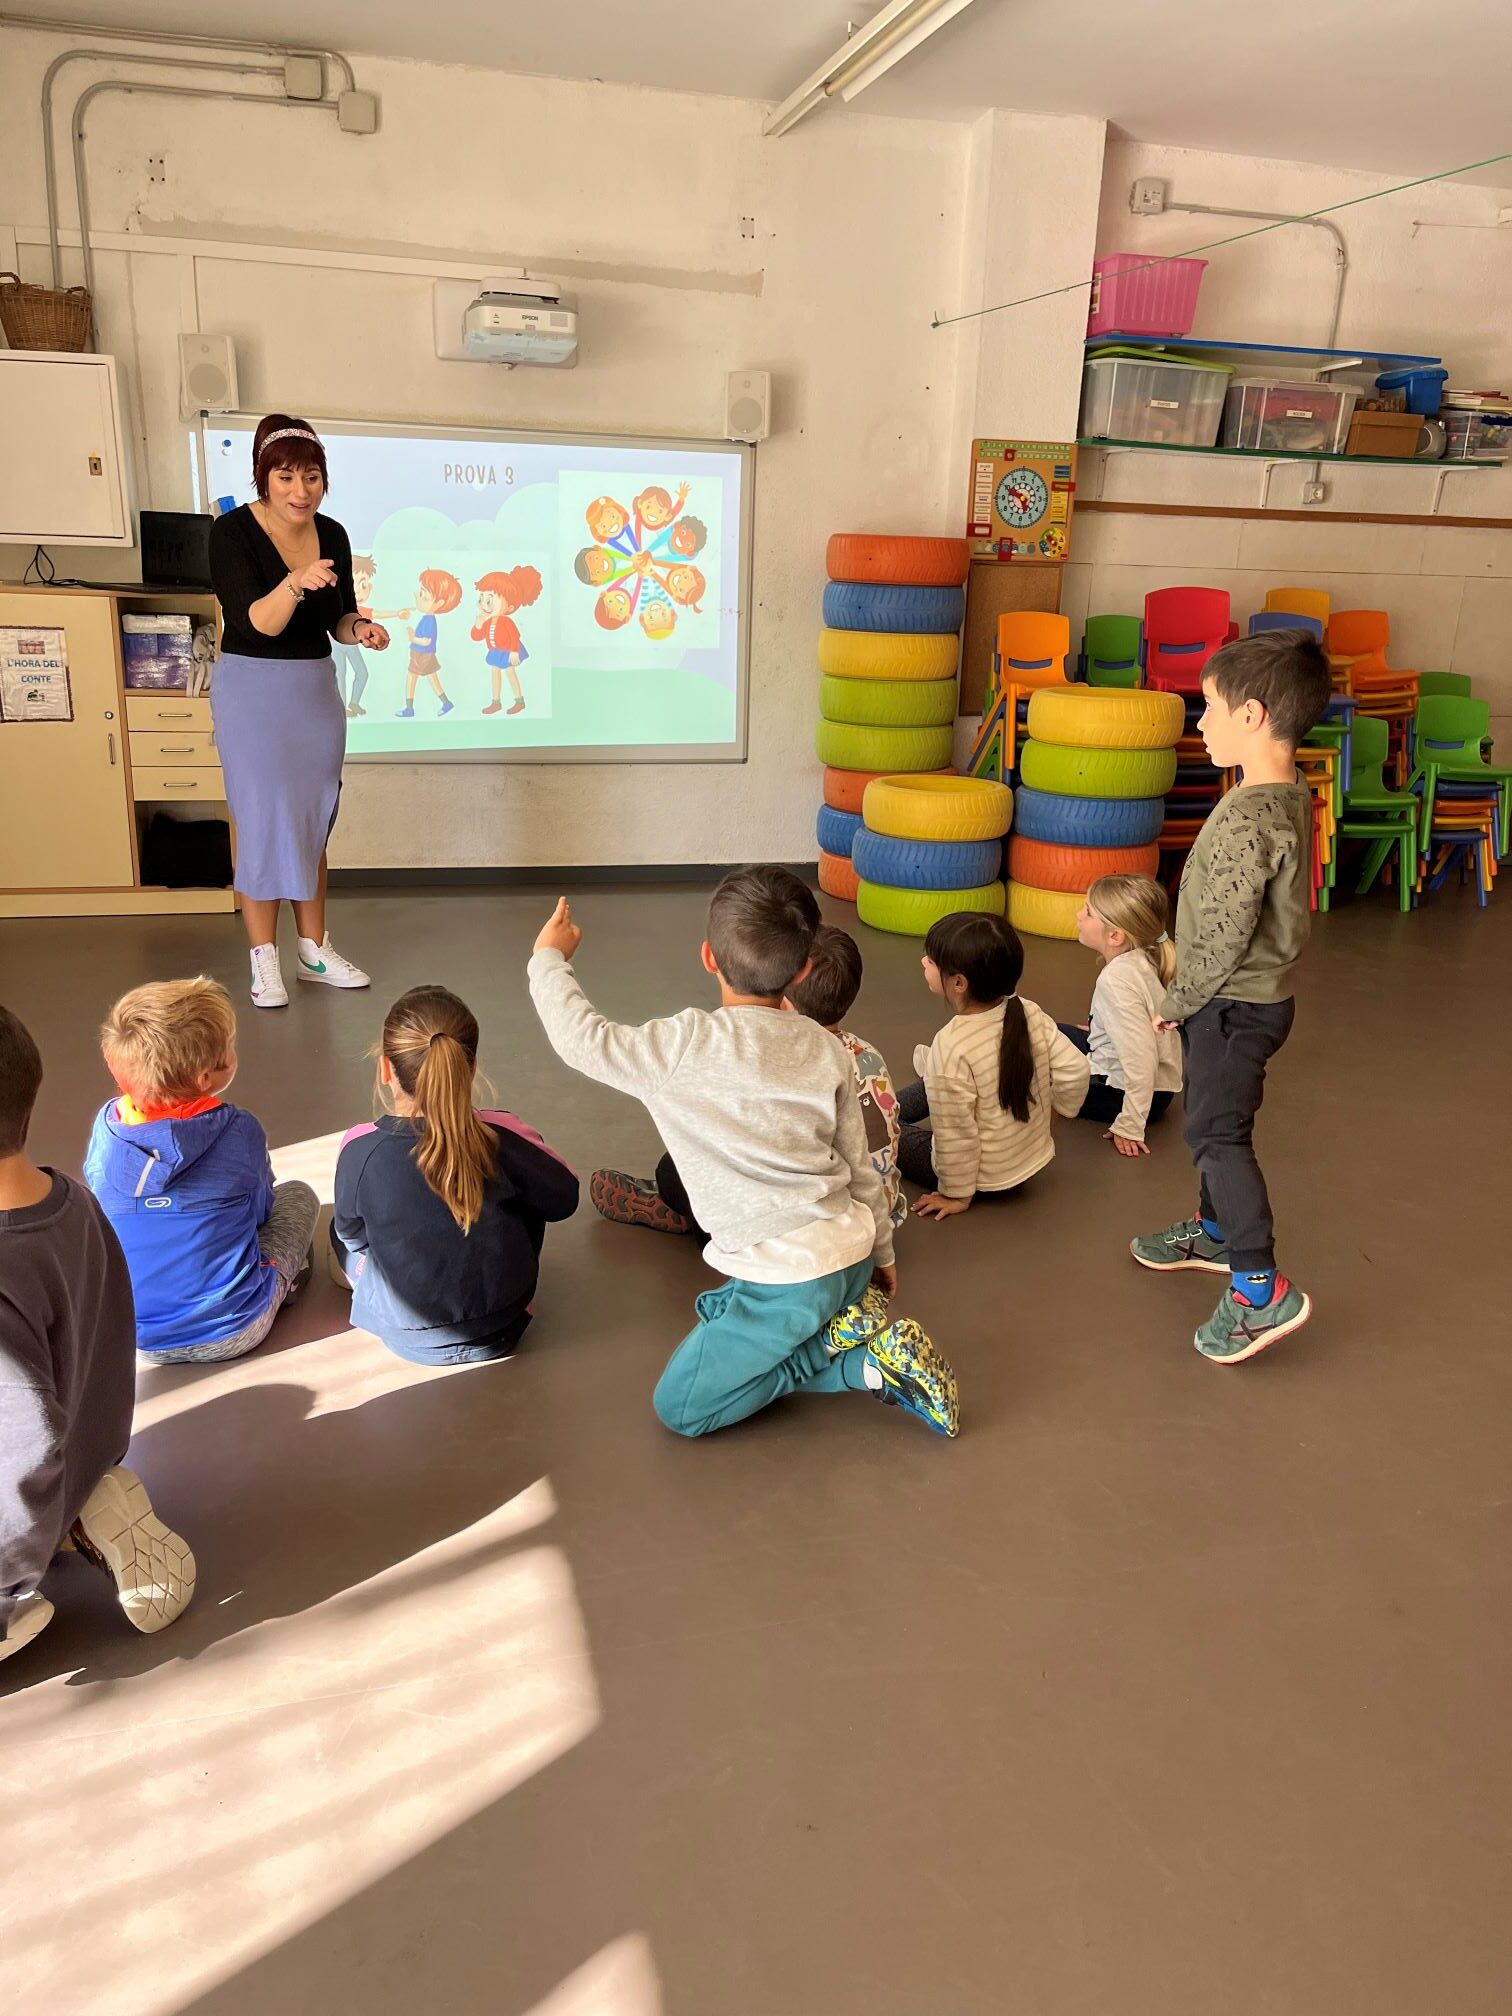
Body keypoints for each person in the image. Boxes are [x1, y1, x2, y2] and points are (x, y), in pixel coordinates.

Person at [528, 872, 959, 1438]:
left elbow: (581, 1038)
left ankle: (856, 1363)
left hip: (790, 1280)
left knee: (681, 1407)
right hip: (849, 1256)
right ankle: (833, 1323)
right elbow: (859, 1167)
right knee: (736, 1303)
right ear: (803, 971)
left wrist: (548, 959)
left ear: (709, 957)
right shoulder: (828, 1048)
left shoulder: (679, 1047)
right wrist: (882, 1254)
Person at [1131, 629, 1331, 1362]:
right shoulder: (1279, 789)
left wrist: (1176, 1000)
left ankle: (1257, 1289)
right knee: (1213, 1121)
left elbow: (1222, 935)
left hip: (1230, 1006)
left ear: (1252, 716)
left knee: (1218, 1136)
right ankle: (1215, 1234)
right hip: (1246, 1002)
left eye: (1210, 707)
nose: (1202, 722)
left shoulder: (1251, 817)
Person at [1, 1005, 195, 1665]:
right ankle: (88, 1497)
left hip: (27, 1504)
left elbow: (23, 1448)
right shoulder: (71, 1200)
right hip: (90, 1447)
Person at [209, 413, 387, 1009]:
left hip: (313, 692)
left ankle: (314, 951)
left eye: (311, 477)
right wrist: (295, 581)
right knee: (261, 825)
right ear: (264, 477)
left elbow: (338, 618)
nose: (300, 490)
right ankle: (264, 959)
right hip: (252, 692)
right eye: (285, 476)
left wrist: (360, 629)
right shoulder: (232, 533)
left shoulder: (332, 533)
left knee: (312, 823)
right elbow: (256, 623)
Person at [591, 922, 905, 1240]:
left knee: (673, 1169)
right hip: (878, 1218)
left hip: (802, 1234)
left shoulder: (780, 1061)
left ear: (785, 999)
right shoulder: (868, 1054)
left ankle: (681, 1213)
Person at [331, 986, 579, 1365]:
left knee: (337, 1232)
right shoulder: (502, 1133)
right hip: (505, 1323)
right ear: (470, 1069)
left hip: (405, 1336)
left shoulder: (359, 1147)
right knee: (527, 1189)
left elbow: (353, 1235)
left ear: (385, 1068)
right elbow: (563, 1198)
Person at [83, 978, 320, 1366]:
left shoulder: (106, 1129)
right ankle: (283, 1283)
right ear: (206, 1078)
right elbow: (262, 1212)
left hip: (140, 1337)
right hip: (238, 1328)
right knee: (299, 1195)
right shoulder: (239, 1130)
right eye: (230, 1045)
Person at [898, 911, 1089, 1218]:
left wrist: (957, 1195)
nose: (923, 962)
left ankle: (877, 1111)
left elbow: (956, 1136)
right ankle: (888, 1104)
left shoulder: (951, 1045)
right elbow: (1077, 1070)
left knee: (882, 1129)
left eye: (931, 961)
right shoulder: (1026, 1010)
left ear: (959, 982)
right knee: (937, 1082)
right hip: (1029, 1160)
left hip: (985, 1179)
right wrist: (1055, 1116)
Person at [1061, 873, 1181, 1155]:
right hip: (1157, 1090)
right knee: (1046, 1032)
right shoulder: (1146, 956)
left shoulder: (1116, 980)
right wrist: (1104, 1029)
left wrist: (1130, 1123)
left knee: (1027, 1058)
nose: (1079, 915)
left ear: (1115, 936)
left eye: (1088, 912)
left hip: (1119, 1094)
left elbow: (1141, 1058)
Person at [473, 567, 543, 716]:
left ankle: (519, 701)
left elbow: (514, 636)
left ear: (509, 607)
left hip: (509, 650)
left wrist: (514, 652)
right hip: (495, 652)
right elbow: (477, 637)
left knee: (510, 672)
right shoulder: (487, 621)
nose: (483, 604)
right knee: (495, 672)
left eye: (489, 601)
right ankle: (496, 702)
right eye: (481, 599)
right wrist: (477, 625)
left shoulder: (506, 621)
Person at [398, 568, 461, 718]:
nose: (417, 597)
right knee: (430, 677)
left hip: (422, 654)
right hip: (422, 653)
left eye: (423, 595)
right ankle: (445, 703)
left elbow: (427, 641)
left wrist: (413, 638)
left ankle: (409, 708)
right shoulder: (427, 618)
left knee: (413, 677)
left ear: (439, 603)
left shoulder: (429, 620)